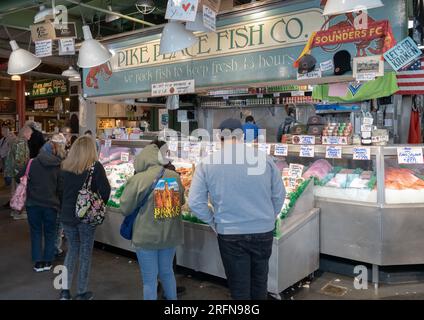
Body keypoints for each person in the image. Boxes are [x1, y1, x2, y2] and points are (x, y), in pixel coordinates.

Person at [188, 118, 285, 300]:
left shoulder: (207, 163)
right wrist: (269, 217)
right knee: (259, 284)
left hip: (230, 233)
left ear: (219, 137)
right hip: (263, 231)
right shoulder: (264, 159)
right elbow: (279, 195)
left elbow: (195, 202)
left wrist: (213, 221)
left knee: (239, 289)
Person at [120, 143, 184, 300]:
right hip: (170, 235)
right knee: (167, 272)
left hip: (146, 237)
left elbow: (125, 208)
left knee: (149, 280)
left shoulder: (138, 179)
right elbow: (181, 201)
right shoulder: (174, 176)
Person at [59, 136, 111, 300]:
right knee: (85, 253)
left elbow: (59, 192)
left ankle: (64, 291)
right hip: (86, 217)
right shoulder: (96, 167)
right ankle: (81, 292)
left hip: (67, 216)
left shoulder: (65, 167)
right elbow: (106, 191)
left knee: (72, 250)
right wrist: (96, 204)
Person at [20, 134, 66, 272]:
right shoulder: (58, 166)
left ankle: (38, 262)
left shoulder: (31, 163)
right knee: (50, 232)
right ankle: (48, 261)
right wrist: (61, 204)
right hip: (51, 205)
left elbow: (19, 177)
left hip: (33, 203)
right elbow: (61, 188)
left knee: (36, 232)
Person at [5, 125, 32, 220]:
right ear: (25, 133)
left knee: (15, 192)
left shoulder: (16, 141)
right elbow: (20, 160)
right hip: (19, 172)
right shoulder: (21, 143)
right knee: (20, 193)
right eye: (30, 134)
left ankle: (14, 211)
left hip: (13, 172)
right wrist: (24, 173)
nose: (30, 136)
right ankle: (19, 212)